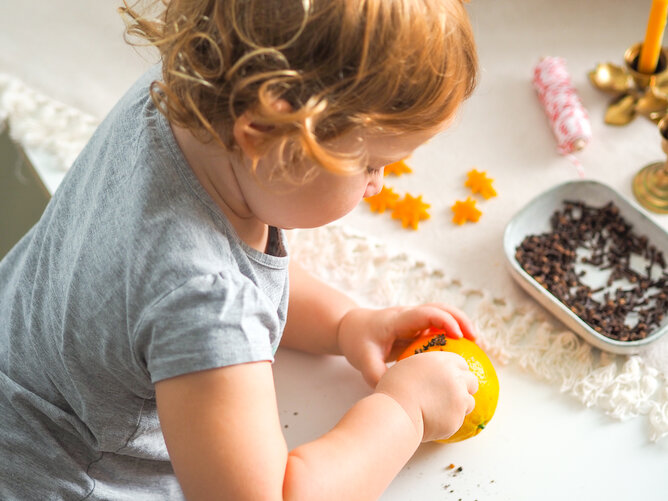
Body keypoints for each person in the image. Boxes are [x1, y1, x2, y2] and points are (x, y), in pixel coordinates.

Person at [0, 0, 480, 498]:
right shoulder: (204, 300)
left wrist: (344, 324)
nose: (378, 185)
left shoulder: (180, 94)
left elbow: (211, 276)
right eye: (372, 164)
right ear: (265, 135)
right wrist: (405, 411)